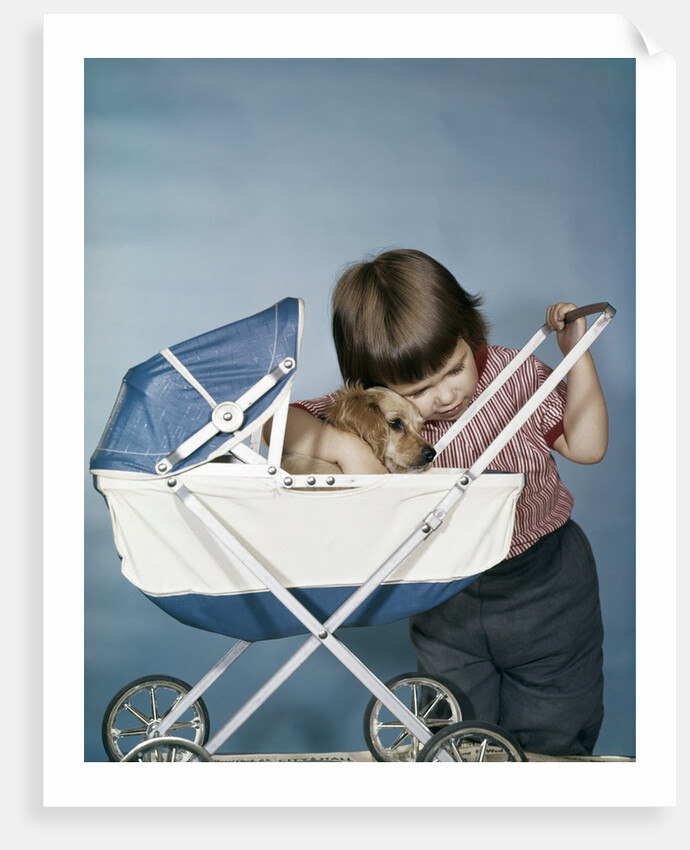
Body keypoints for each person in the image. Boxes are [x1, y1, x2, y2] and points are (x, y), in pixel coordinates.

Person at [276, 248, 608, 756]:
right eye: (420, 389)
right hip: (444, 591)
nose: (446, 396)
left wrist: (575, 356)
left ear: (468, 333)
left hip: (544, 582)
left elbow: (586, 446)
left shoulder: (511, 374)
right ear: (376, 386)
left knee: (555, 728)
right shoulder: (377, 412)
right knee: (457, 731)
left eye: (454, 369)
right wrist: (345, 448)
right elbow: (272, 426)